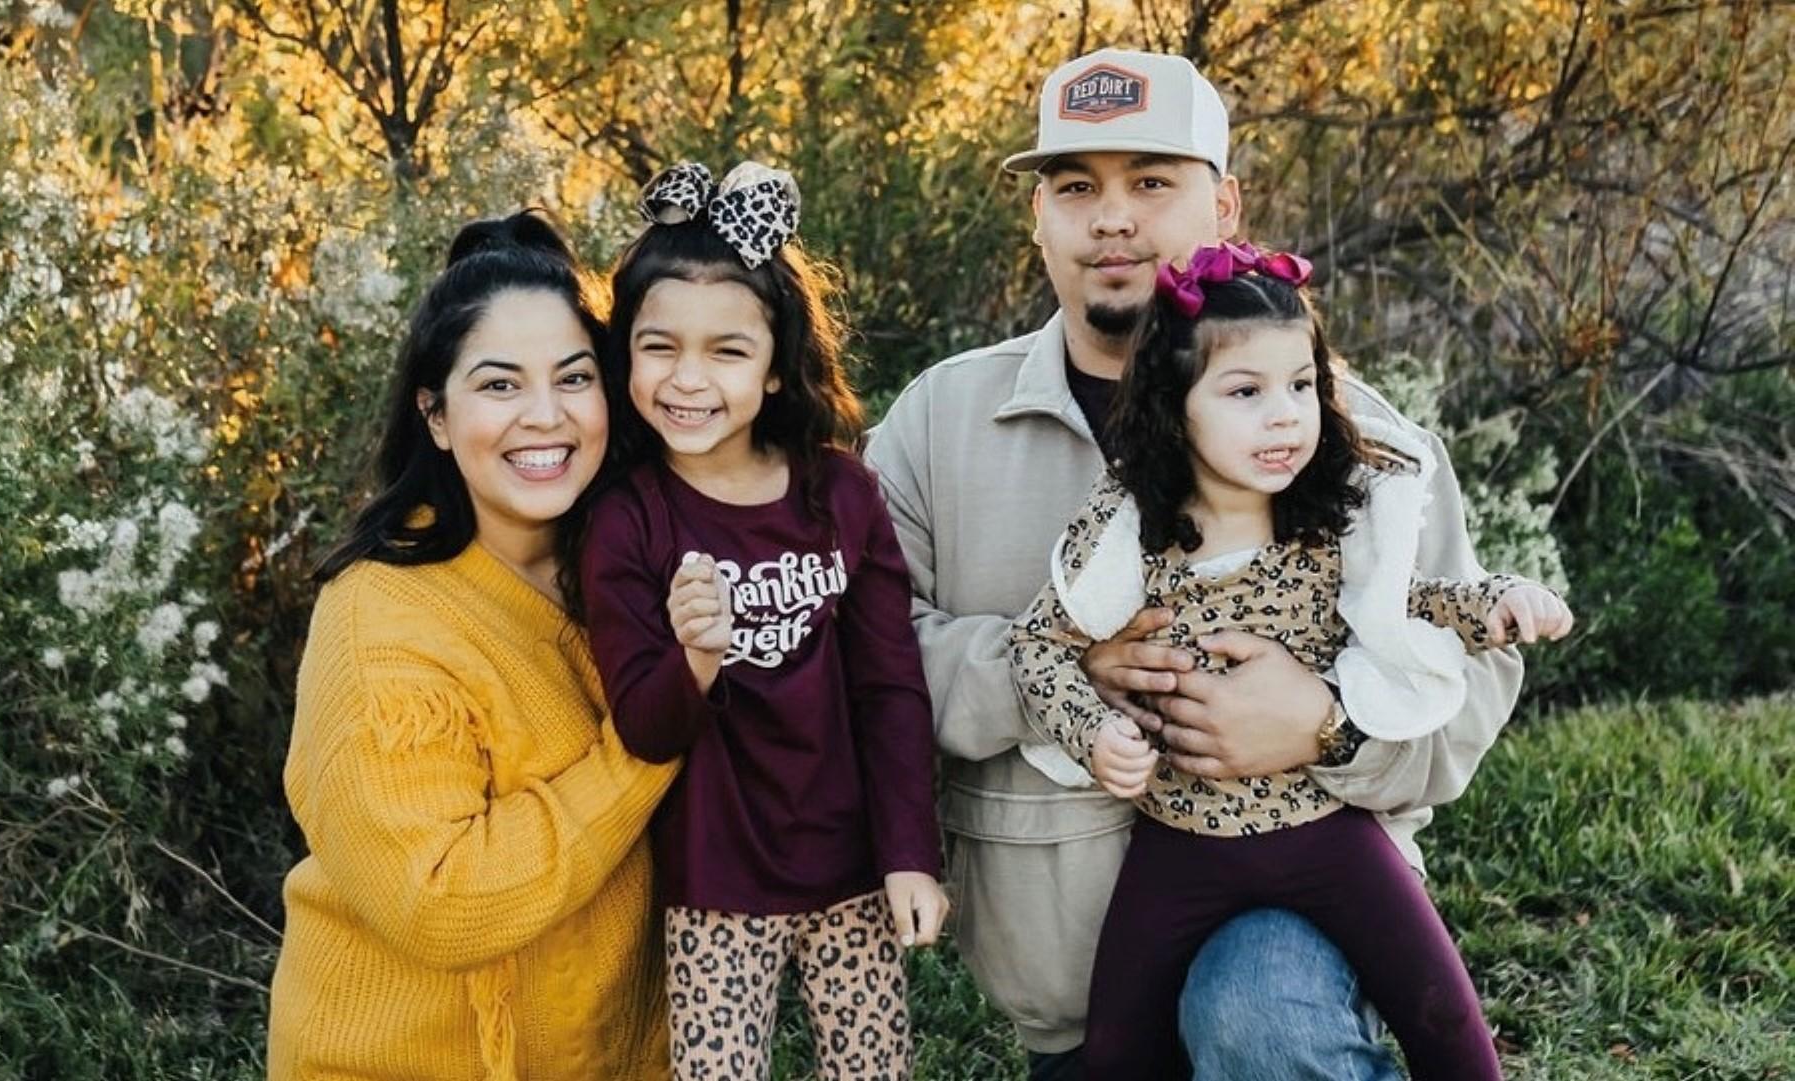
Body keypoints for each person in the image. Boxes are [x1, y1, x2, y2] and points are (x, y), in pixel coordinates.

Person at [863, 49, 1526, 1079]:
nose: (1111, 218)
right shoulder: (940, 423)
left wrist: (1326, 720)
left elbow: (1472, 677)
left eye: (1152, 182)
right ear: (1037, 217)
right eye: (1075, 187)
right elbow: (873, 654)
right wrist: (1058, 682)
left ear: (1225, 205)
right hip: (1071, 972)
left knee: (1257, 1011)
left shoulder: (1344, 437)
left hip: (1289, 903)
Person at [1010, 242, 1573, 1079]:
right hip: (1180, 838)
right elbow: (1039, 645)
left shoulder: (1330, 518)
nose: (1285, 417)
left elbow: (1409, 598)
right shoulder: (1133, 531)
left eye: (1302, 385)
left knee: (1446, 1020)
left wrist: (1494, 604)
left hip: (1324, 833)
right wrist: (1092, 730)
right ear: (1175, 406)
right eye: (1245, 392)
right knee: (1116, 1051)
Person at [267, 211, 678, 1081]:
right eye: (498, 385)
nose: (545, 416)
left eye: (574, 377)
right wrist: (655, 735)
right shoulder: (382, 622)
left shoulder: (629, 569)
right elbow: (438, 900)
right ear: (437, 416)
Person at [580, 161, 948, 1081]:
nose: (688, 379)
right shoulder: (628, 519)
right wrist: (696, 656)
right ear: (626, 352)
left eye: (727, 351)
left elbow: (890, 685)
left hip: (854, 868)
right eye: (659, 347)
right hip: (715, 879)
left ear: (778, 365)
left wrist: (911, 852)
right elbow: (644, 723)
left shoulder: (842, 493)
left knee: (874, 1072)